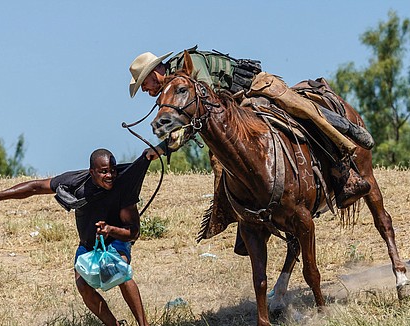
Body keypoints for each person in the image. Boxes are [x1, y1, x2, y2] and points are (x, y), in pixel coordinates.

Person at [128, 47, 374, 209]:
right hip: (235, 110)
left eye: (145, 84)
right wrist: (163, 147)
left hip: (255, 89)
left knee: (302, 112)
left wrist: (166, 144)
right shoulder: (172, 91)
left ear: (154, 73)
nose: (147, 91)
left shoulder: (188, 66)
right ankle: (239, 210)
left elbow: (205, 105)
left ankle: (344, 157)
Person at [0, 149, 156, 326]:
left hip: (115, 240)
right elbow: (36, 187)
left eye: (113, 171)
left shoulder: (122, 188)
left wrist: (111, 230)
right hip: (88, 245)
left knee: (119, 271)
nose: (110, 176)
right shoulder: (76, 182)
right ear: (92, 172)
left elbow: (134, 232)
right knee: (83, 286)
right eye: (104, 171)